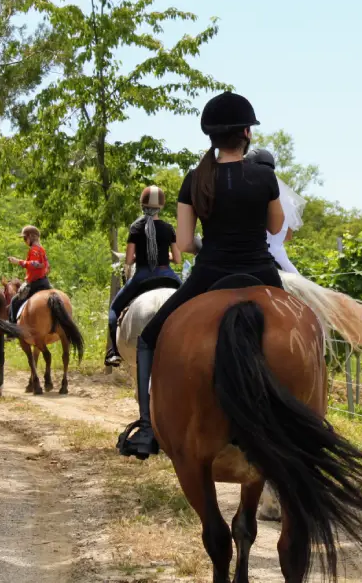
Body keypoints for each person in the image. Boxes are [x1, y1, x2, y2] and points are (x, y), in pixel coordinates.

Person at [116, 90, 286, 460]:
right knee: (308, 328)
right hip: (261, 272)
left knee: (148, 337)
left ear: (210, 136)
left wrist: (208, 244)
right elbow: (276, 227)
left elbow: (185, 242)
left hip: (210, 275)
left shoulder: (195, 179)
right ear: (247, 133)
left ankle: (147, 429)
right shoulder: (263, 177)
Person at [103, 186, 183, 367]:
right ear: (161, 206)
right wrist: (164, 256)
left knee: (114, 310)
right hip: (167, 273)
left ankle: (114, 352)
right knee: (193, 299)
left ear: (142, 205)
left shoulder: (136, 228)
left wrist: (143, 256)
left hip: (143, 275)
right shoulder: (168, 228)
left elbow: (129, 260)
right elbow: (177, 259)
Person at [243, 148, 305, 274]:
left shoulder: (246, 192)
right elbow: (288, 236)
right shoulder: (287, 199)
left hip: (250, 256)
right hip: (279, 257)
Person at [7, 225, 52, 324]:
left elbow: (34, 264)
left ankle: (12, 330)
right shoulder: (42, 250)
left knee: (14, 301)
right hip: (45, 282)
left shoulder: (34, 250)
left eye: (25, 238)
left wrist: (18, 261)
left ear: (31, 236)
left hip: (34, 284)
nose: (24, 240)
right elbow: (48, 267)